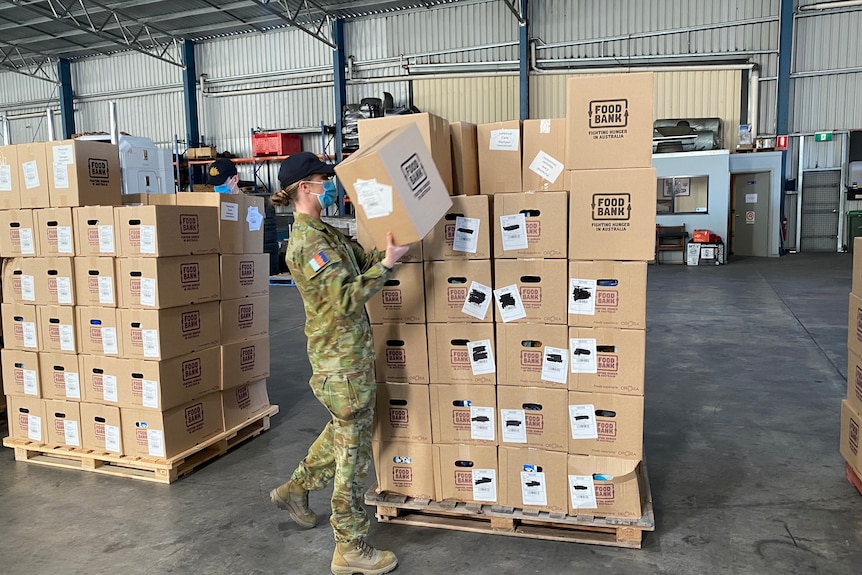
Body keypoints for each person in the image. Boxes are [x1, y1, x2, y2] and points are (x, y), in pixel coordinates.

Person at [269, 151, 409, 575]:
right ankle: (349, 545)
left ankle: (296, 487)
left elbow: (357, 263)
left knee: (345, 431)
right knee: (354, 452)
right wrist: (387, 266)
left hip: (349, 358)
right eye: (321, 179)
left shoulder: (326, 233)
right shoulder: (307, 242)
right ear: (303, 188)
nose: (329, 186)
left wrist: (389, 247)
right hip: (339, 363)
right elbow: (345, 295)